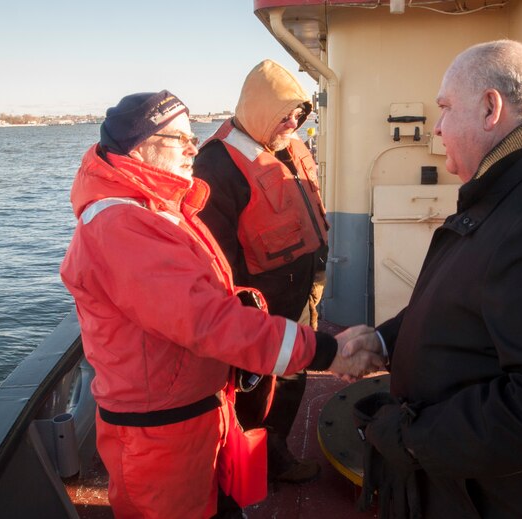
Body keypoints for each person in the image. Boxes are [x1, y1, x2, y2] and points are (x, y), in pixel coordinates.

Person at [344, 40, 522, 518]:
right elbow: (473, 305)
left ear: (489, 108)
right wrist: (385, 340)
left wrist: (408, 438)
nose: (437, 127)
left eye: (444, 109)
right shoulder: (518, 192)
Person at [59, 90, 383, 519]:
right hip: (161, 437)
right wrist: (328, 352)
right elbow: (206, 320)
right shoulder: (121, 225)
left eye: (191, 135)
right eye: (178, 138)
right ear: (140, 148)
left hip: (200, 414)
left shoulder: (157, 208)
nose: (194, 145)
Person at [193, 59, 329, 486]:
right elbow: (215, 251)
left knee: (294, 374)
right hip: (258, 305)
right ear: (257, 110)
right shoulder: (217, 164)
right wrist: (238, 312)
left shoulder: (287, 147)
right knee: (256, 387)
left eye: (298, 114)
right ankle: (253, 459)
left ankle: (275, 447)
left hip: (301, 294)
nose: (292, 122)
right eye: (283, 114)